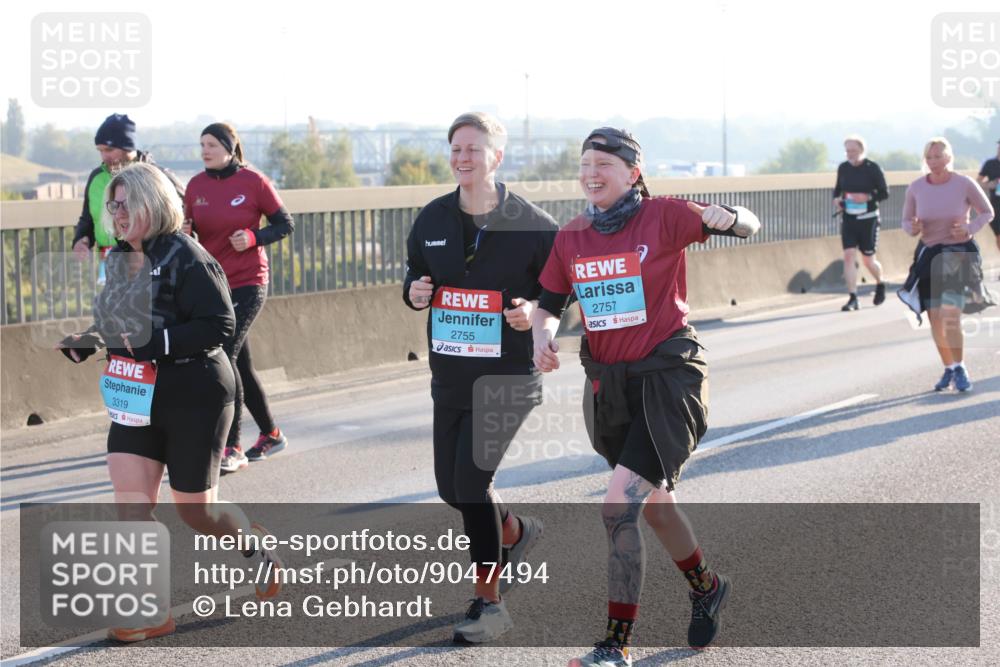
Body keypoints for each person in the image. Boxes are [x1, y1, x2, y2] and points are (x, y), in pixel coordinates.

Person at [530, 128, 761, 666]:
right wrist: (542, 335)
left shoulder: (663, 215)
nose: (592, 172)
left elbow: (745, 221)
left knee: (617, 506)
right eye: (585, 162)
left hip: (668, 377)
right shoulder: (573, 235)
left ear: (632, 172)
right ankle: (706, 586)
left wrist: (729, 218)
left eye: (605, 163)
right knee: (654, 505)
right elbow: (548, 302)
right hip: (609, 384)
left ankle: (615, 644)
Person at [57, 163, 283, 641]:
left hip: (194, 392)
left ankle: (253, 545)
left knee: (196, 513)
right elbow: (115, 325)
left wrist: (156, 342)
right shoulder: (118, 259)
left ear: (152, 205)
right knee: (132, 508)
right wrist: (88, 340)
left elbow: (219, 325)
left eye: (125, 204)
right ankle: (150, 611)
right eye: (112, 205)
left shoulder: (188, 255)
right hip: (136, 394)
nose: (116, 214)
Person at [402, 112, 557, 643]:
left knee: (472, 483)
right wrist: (414, 292)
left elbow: (564, 296)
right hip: (450, 374)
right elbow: (414, 274)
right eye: (456, 149)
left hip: (509, 375)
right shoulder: (432, 218)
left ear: (496, 156)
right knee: (452, 489)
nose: (463, 157)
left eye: (474, 148)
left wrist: (533, 311)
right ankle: (515, 531)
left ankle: (489, 605)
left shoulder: (535, 226)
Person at [184, 123, 293, 474]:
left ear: (230, 148)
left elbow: (284, 223)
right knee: (240, 363)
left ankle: (231, 446)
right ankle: (271, 433)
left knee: (224, 357)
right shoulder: (195, 186)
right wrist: (187, 233)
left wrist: (253, 237)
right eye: (202, 144)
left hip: (249, 282)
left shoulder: (253, 182)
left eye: (212, 144)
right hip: (215, 285)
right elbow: (191, 227)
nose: (205, 150)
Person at [899, 137, 994, 393]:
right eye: (929, 157)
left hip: (957, 253)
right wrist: (913, 227)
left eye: (938, 156)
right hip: (929, 254)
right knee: (936, 319)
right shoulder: (916, 187)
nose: (933, 162)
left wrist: (969, 228)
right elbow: (906, 221)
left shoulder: (964, 183)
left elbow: (987, 212)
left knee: (951, 314)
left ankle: (960, 366)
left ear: (949, 157)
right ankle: (949, 367)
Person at [72, 114, 184, 270]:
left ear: (128, 146)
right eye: (100, 150)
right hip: (110, 262)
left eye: (109, 149)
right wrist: (82, 239)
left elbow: (185, 212)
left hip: (153, 261)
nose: (104, 156)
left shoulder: (158, 177)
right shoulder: (96, 177)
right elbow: (88, 218)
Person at [832, 135, 889, 311]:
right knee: (849, 255)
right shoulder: (843, 168)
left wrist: (867, 197)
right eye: (848, 151)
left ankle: (880, 283)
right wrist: (837, 200)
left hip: (868, 218)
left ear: (862, 150)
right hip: (849, 218)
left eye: (854, 151)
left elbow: (884, 193)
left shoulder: (873, 168)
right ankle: (853, 297)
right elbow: (837, 190)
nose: (850, 154)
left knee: (868, 260)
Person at [976, 139, 1000, 253]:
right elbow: (978, 182)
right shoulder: (990, 164)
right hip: (996, 206)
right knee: (999, 236)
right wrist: (989, 184)